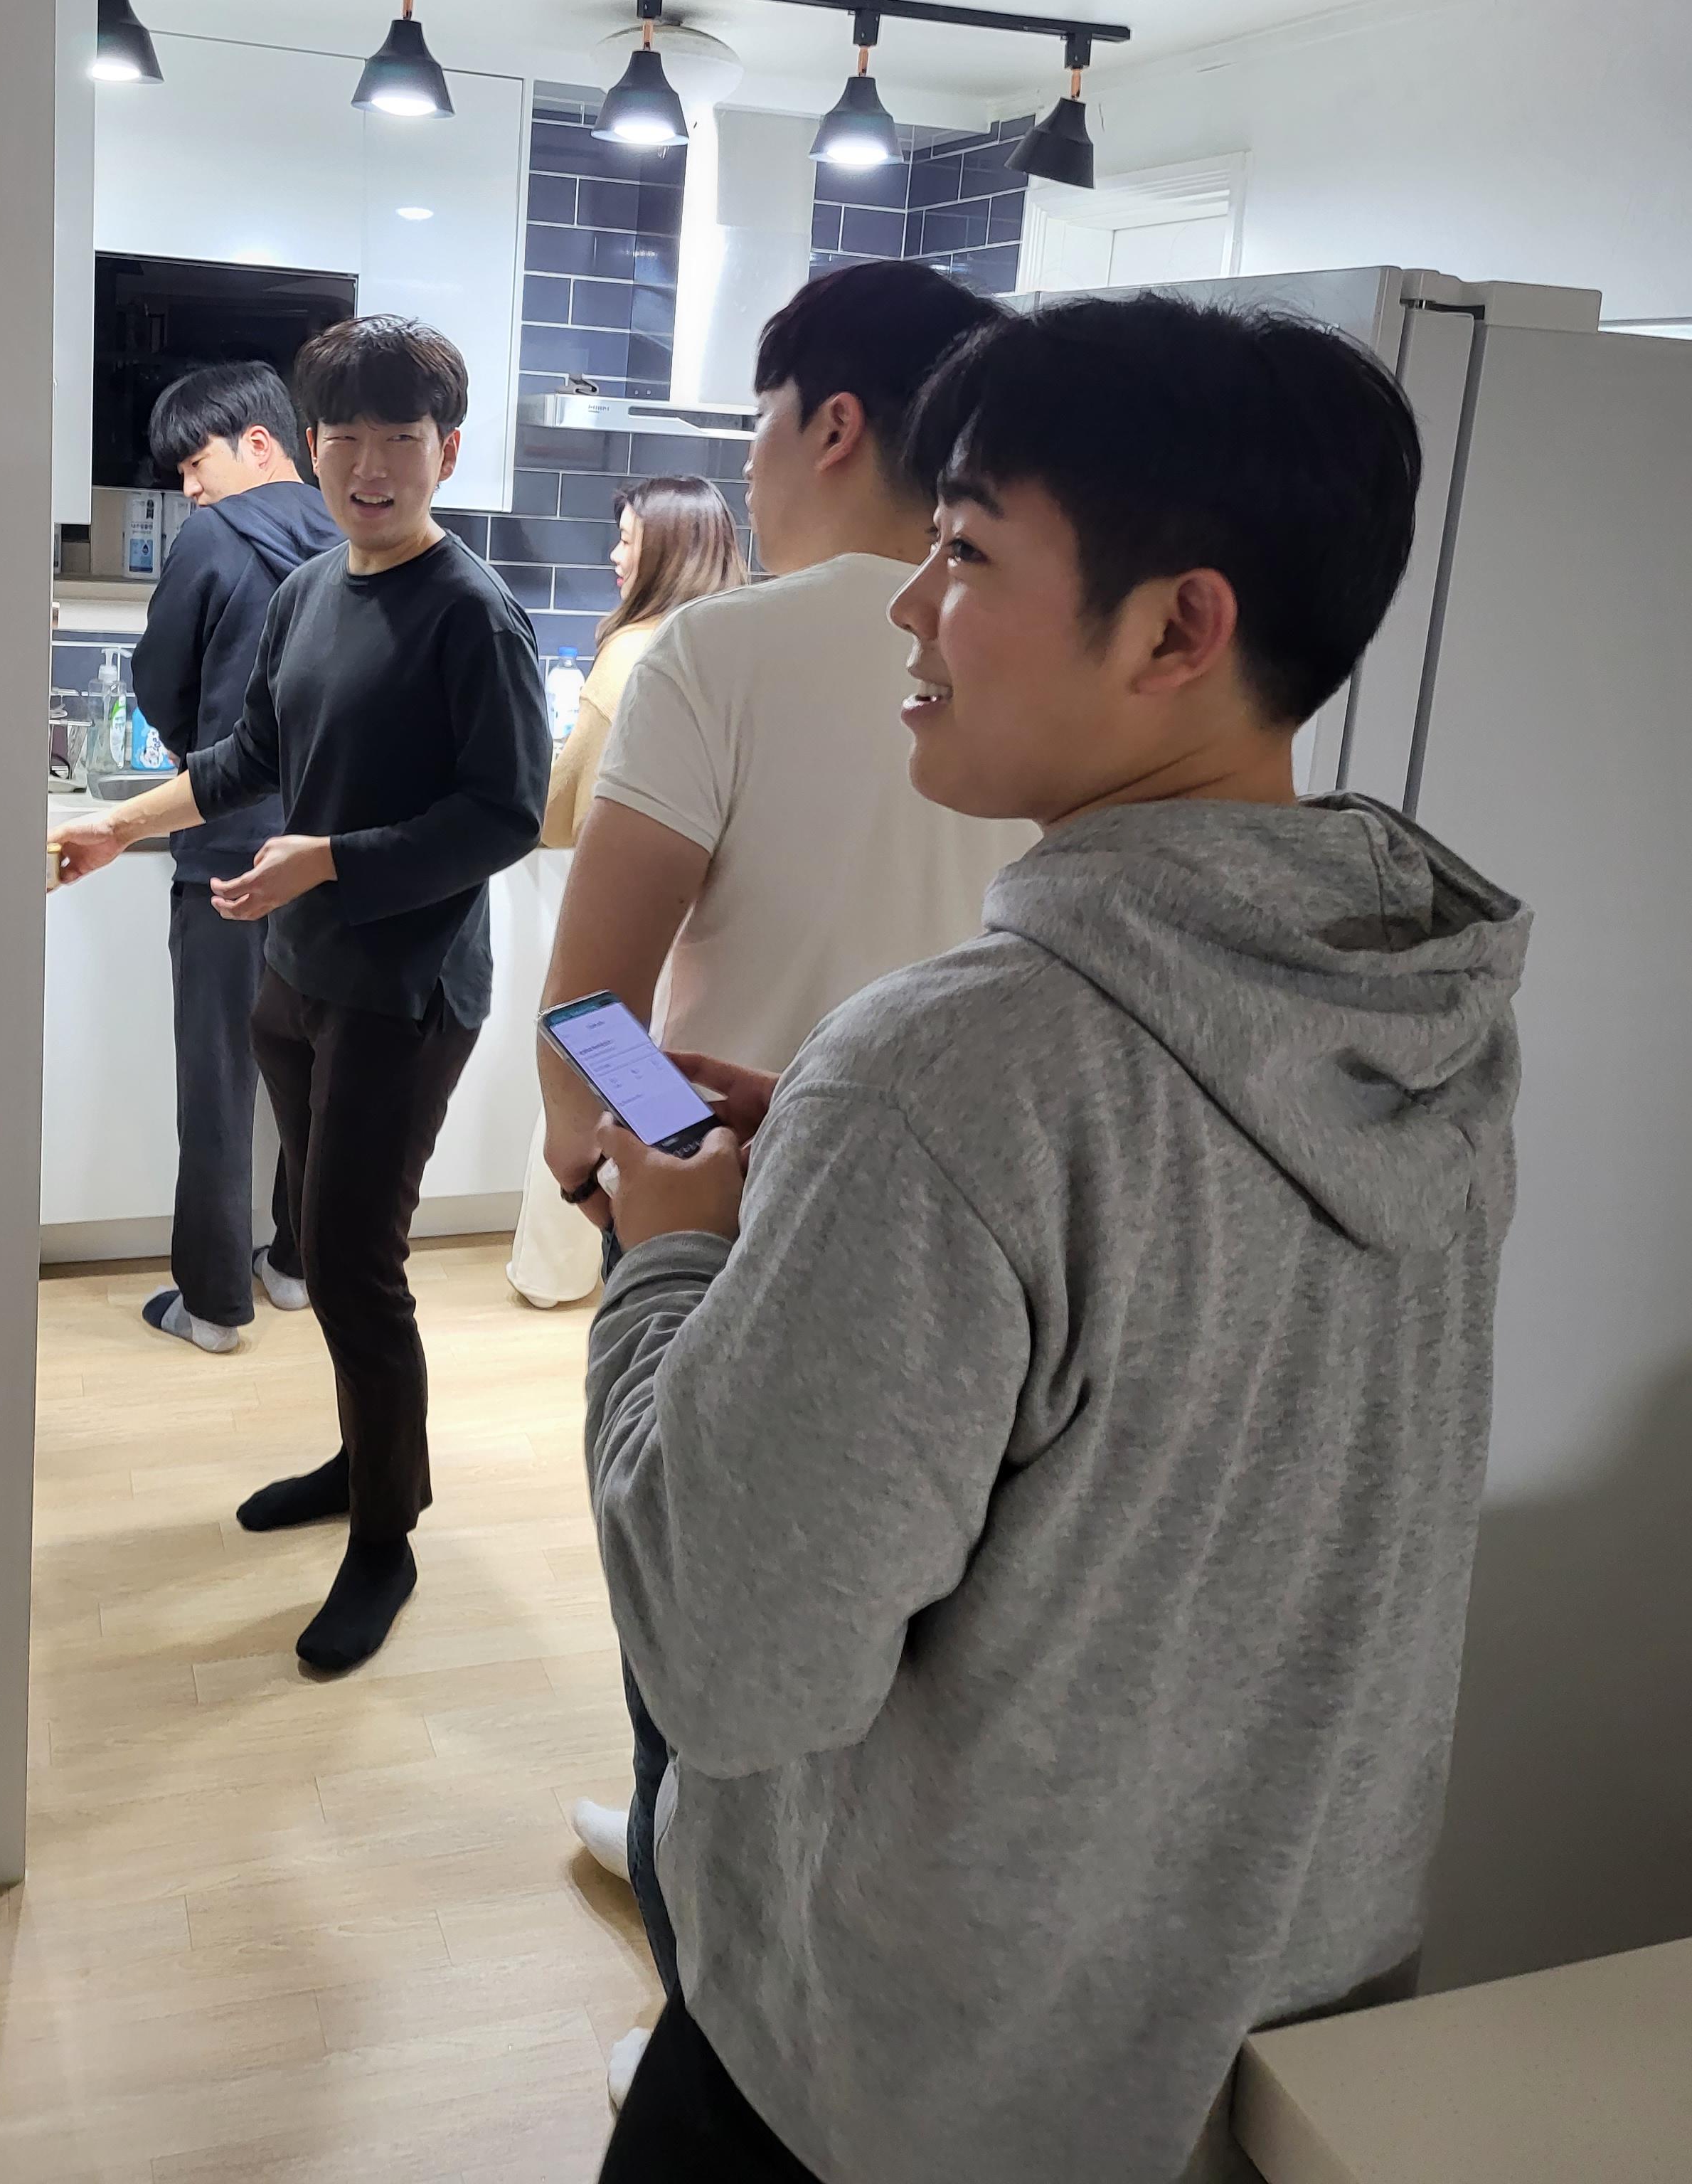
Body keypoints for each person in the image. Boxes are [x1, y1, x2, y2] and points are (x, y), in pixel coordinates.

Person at [584, 292, 1530, 2184]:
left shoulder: (953, 1071)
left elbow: (731, 1660)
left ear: (1179, 628)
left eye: (964, 549)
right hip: (1252, 2038)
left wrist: (677, 1249)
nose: (908, 606)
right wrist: (838, 1180)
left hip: (892, 2077)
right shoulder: (1424, 1011)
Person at [538, 261, 1033, 2097]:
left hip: (738, 1218)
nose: (744, 465)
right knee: (889, 1652)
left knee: (696, 1615)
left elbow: (590, 1008)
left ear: (829, 421)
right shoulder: (1039, 663)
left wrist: (639, 1163)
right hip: (987, 1232)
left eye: (752, 424)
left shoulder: (717, 653)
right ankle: (686, 1863)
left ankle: (705, 2027)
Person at [55, 316, 548, 1673]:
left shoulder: (474, 615)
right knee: (324, 1258)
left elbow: (505, 815)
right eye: (348, 437)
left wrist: (331, 859)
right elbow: (246, 758)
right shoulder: (311, 590)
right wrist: (118, 827)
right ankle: (358, 1461)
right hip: (298, 974)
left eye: (403, 439)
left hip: (406, 989)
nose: (372, 465)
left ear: (448, 451)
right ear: (310, 447)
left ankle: (387, 1535)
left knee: (353, 1263)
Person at [126, 360, 344, 1354]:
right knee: (318, 1072)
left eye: (194, 463)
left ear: (260, 442)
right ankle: (295, 1265)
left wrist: (198, 755)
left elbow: (159, 678)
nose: (189, 488)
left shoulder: (212, 540)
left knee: (217, 1077)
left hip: (224, 847)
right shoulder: (360, 533)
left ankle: (214, 1303)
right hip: (330, 850)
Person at [507, 475, 745, 1310]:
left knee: (587, 1066)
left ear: (670, 550)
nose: (615, 554)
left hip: (636, 904)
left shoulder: (636, 650)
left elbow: (564, 807)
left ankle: (561, 1270)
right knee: (673, 1095)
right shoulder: (739, 641)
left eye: (629, 539)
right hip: (714, 923)